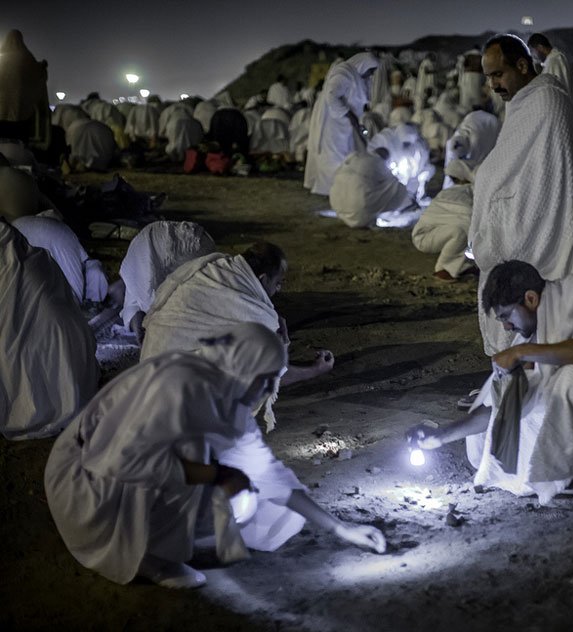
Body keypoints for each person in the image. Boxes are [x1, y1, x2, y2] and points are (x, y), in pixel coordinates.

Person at [45, 322, 385, 590]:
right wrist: (216, 475)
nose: (270, 391)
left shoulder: (226, 393)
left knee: (248, 498)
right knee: (203, 465)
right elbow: (119, 461)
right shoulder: (177, 385)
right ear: (247, 370)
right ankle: (149, 558)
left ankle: (159, 537)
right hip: (86, 489)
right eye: (267, 380)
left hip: (122, 477)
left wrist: (341, 528)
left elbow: (268, 473)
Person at [410, 261, 573, 503]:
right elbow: (500, 406)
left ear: (531, 299)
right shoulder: (533, 334)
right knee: (494, 435)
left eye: (506, 316)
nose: (506, 326)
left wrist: (523, 352)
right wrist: (442, 436)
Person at [472, 35, 573, 357]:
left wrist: (505, 224)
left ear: (522, 66)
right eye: (488, 77)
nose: (493, 85)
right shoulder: (524, 101)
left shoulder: (547, 101)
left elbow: (546, 182)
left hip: (539, 229)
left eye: (498, 74)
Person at [140, 242, 335, 424]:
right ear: (262, 279)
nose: (280, 288)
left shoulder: (216, 268)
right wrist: (314, 370)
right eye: (278, 282)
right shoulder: (258, 316)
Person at [0, 219, 98, 440]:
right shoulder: (41, 257)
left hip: (52, 356)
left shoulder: (14, 271)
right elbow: (74, 297)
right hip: (75, 363)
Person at [119, 220, 216, 342]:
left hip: (180, 245)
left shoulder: (140, 274)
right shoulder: (137, 279)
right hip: (171, 239)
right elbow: (134, 310)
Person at [304, 53, 378, 196]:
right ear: (363, 65)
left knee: (348, 153)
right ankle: (331, 188)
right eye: (370, 70)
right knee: (334, 155)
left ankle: (345, 185)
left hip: (346, 122)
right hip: (335, 123)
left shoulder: (359, 77)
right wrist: (349, 115)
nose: (371, 74)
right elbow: (332, 95)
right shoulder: (344, 73)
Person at [11, 213, 109, 304]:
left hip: (13, 228)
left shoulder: (72, 246)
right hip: (32, 234)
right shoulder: (67, 249)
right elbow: (74, 298)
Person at [411, 159, 476, 281]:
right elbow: (466, 215)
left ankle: (463, 266)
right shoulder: (460, 192)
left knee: (466, 228)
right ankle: (444, 270)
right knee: (462, 231)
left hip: (434, 233)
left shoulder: (460, 191)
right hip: (424, 235)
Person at [327, 149, 415, 228]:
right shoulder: (377, 161)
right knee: (398, 186)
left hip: (337, 206)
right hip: (358, 211)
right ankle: (407, 205)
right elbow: (392, 180)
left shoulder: (354, 156)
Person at [443, 110, 500, 188]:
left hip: (492, 124)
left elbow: (475, 167)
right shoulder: (451, 144)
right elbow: (450, 167)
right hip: (475, 117)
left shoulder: (477, 146)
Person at [527, 34, 573, 105]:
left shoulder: (554, 61)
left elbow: (555, 89)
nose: (534, 56)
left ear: (540, 47)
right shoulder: (551, 61)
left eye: (533, 51)